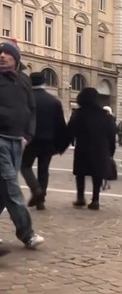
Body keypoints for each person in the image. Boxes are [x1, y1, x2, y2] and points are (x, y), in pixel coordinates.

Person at [0, 40, 44, 248]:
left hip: (18, 141)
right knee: (12, 187)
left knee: (3, 190)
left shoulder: (24, 81)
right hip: (0, 140)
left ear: (15, 58)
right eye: (0, 54)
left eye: (6, 53)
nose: (2, 56)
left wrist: (28, 134)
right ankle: (27, 234)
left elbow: (31, 110)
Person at [20, 72, 68, 210]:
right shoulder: (54, 101)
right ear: (44, 82)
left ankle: (35, 189)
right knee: (44, 169)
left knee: (25, 165)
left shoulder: (26, 99)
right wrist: (60, 145)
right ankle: (41, 200)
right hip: (48, 141)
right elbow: (60, 124)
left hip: (30, 140)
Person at [68, 88, 116, 210]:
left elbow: (69, 131)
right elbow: (111, 135)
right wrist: (111, 151)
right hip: (100, 149)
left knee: (80, 173)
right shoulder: (105, 116)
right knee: (97, 174)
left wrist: (63, 144)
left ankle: (80, 197)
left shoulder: (78, 114)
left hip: (83, 148)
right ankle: (95, 199)